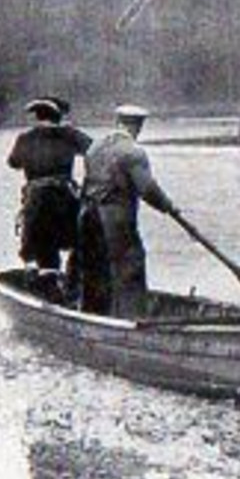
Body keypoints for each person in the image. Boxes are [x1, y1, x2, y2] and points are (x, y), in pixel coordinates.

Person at [77, 104, 177, 319]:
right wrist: (168, 206)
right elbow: (147, 189)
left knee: (95, 268)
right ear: (139, 126)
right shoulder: (133, 151)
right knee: (130, 266)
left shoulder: (94, 147)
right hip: (115, 219)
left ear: (117, 122)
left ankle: (91, 316)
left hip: (88, 217)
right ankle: (133, 320)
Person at [7, 97, 91, 279]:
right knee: (79, 242)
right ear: (59, 117)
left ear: (37, 116)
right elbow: (92, 149)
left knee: (42, 250)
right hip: (65, 200)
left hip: (36, 202)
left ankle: (47, 283)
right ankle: (73, 283)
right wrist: (70, 131)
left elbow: (13, 162)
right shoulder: (69, 135)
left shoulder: (25, 138)